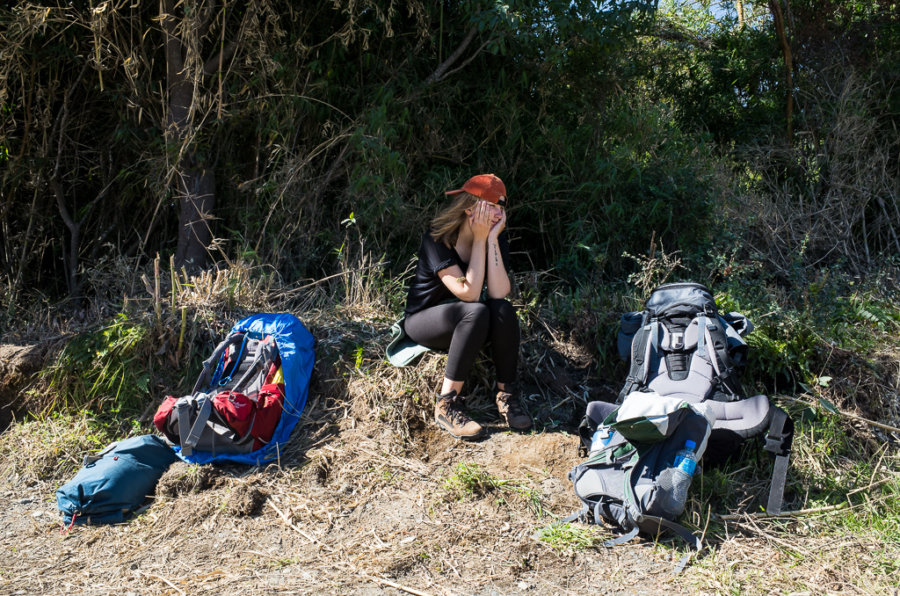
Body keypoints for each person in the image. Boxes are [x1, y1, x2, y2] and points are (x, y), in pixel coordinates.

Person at [401, 173, 532, 440]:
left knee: (503, 309)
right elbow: (469, 293)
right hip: (424, 321)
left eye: (501, 207)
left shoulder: (494, 237)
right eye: (492, 205)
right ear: (469, 206)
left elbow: (498, 292)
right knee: (476, 310)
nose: (498, 214)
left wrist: (491, 240)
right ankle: (446, 403)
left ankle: (506, 395)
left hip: (470, 323)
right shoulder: (438, 239)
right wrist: (481, 239)